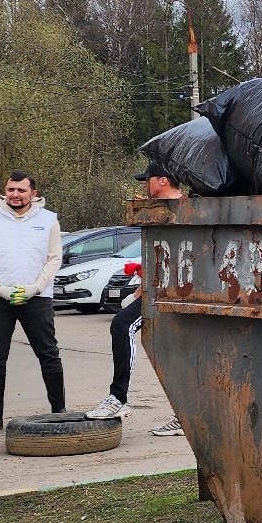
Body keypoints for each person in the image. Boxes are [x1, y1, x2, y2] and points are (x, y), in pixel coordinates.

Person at [85, 161, 186, 438]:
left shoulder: (189, 209)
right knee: (150, 340)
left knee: (124, 327)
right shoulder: (154, 212)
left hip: (179, 294)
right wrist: (140, 290)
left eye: (148, 180)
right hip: (158, 292)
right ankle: (180, 415)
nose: (144, 186)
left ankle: (119, 399)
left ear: (162, 181)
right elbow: (155, 254)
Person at [0, 171, 65, 434]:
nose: (15, 195)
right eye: (11, 189)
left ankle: (59, 411)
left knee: (49, 354)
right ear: (4, 191)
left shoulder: (48, 220)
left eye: (21, 190)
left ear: (33, 193)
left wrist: (35, 287)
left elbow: (55, 258)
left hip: (37, 297)